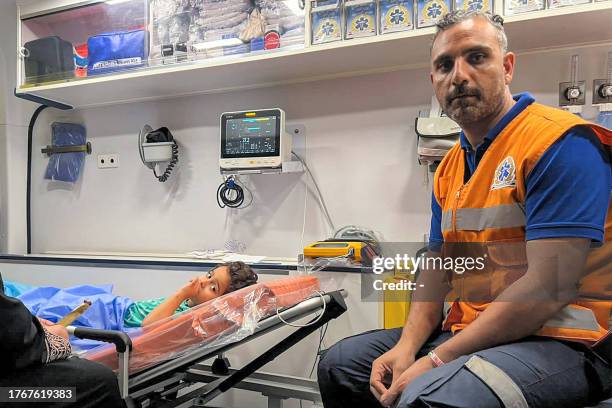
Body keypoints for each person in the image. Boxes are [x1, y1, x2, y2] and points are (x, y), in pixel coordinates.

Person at [317, 10, 611, 408]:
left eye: (476, 57)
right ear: (433, 81)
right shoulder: (451, 167)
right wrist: (407, 345)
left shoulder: (559, 144)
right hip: (477, 332)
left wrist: (438, 358)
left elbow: (547, 287)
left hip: (568, 341)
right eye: (444, 65)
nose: (458, 75)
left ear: (507, 67)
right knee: (342, 365)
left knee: (430, 396)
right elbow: (436, 269)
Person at [0, 272, 125, 408]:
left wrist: (30, 323)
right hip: (6, 394)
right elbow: (17, 340)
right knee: (100, 381)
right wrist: (51, 338)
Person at [125, 261, 258, 327]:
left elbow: (148, 326)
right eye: (209, 275)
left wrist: (182, 294)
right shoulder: (188, 303)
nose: (203, 281)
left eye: (213, 287)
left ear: (221, 304)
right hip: (120, 309)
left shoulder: (187, 318)